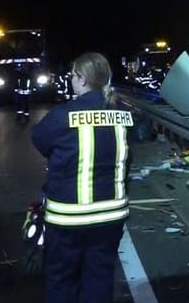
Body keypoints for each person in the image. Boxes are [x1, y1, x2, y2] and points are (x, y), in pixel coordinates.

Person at [31, 52, 132, 303]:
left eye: (73, 76)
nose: (71, 80)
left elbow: (39, 140)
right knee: (100, 278)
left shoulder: (63, 114)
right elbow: (128, 158)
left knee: (62, 280)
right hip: (111, 215)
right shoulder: (122, 114)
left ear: (83, 79)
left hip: (68, 217)